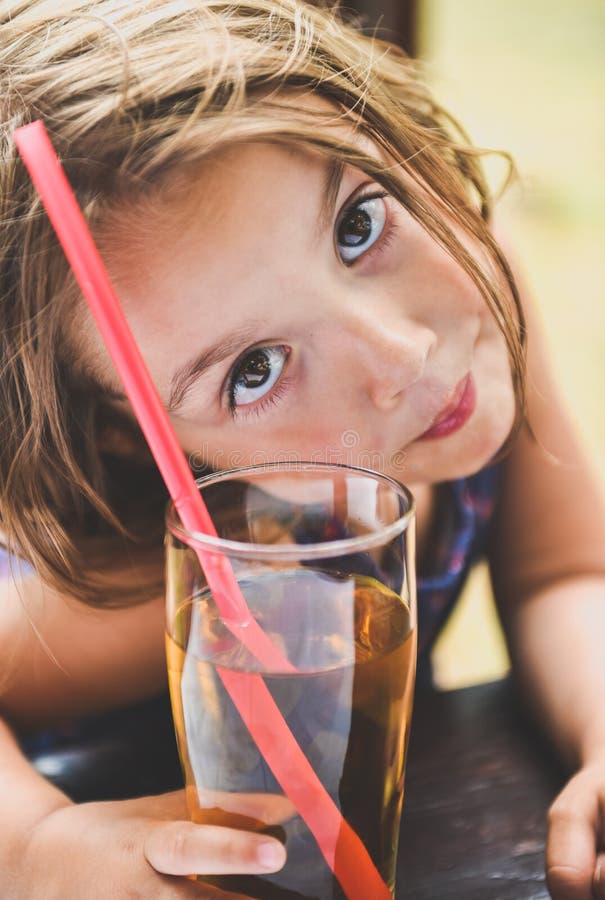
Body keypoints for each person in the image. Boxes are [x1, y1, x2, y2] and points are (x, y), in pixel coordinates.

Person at [1, 1, 604, 897]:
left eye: (358, 224)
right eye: (253, 369)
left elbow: (562, 570)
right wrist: (30, 843)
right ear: (136, 442)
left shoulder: (477, 291)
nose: (402, 356)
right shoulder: (159, 591)